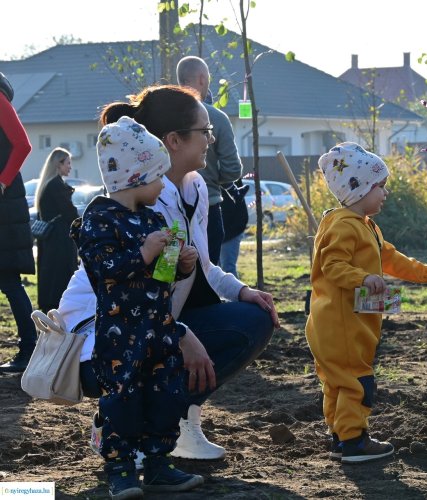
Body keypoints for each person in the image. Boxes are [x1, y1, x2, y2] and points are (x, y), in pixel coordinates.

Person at [56, 85, 277, 467]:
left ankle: (175, 420)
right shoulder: (140, 201)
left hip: (151, 319)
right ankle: (120, 424)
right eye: (205, 131)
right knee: (167, 345)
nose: (212, 139)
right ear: (174, 141)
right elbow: (132, 291)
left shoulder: (193, 187)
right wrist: (180, 332)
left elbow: (202, 264)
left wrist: (241, 290)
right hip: (105, 331)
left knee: (252, 319)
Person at [72, 116, 204, 498]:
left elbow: (161, 278)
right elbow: (103, 269)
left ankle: (160, 462)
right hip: (120, 335)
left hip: (158, 329)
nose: (163, 184)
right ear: (134, 178)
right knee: (122, 398)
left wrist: (180, 265)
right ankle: (121, 467)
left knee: (165, 393)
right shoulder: (99, 220)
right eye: (157, 177)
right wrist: (145, 250)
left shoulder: (152, 217)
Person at [305, 142, 427, 464]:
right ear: (358, 189)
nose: (385, 193)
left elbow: (389, 257)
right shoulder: (342, 226)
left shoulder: (364, 226)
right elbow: (332, 266)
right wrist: (363, 279)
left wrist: (425, 274)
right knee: (356, 380)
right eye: (380, 187)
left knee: (337, 382)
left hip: (347, 322)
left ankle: (340, 436)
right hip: (342, 324)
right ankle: (354, 442)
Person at [176, 56, 243, 265]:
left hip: (172, 207)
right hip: (208, 207)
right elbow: (233, 169)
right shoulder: (217, 118)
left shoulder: (166, 117)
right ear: (203, 79)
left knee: (172, 272)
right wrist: (213, 179)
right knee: (209, 272)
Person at [0, 71, 37, 373]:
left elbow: (22, 144)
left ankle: (29, 349)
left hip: (5, 207)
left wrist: (2, 181)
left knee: (9, 282)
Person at [34, 147, 79, 313]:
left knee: (50, 275)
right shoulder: (57, 186)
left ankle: (49, 306)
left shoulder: (48, 184)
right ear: (58, 165)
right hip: (60, 238)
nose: (70, 167)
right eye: (68, 163)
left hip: (50, 238)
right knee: (61, 276)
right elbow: (70, 213)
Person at [218, 179, 250, 278]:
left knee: (228, 269)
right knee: (215, 270)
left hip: (231, 228)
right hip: (217, 228)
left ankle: (234, 293)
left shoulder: (226, 171)